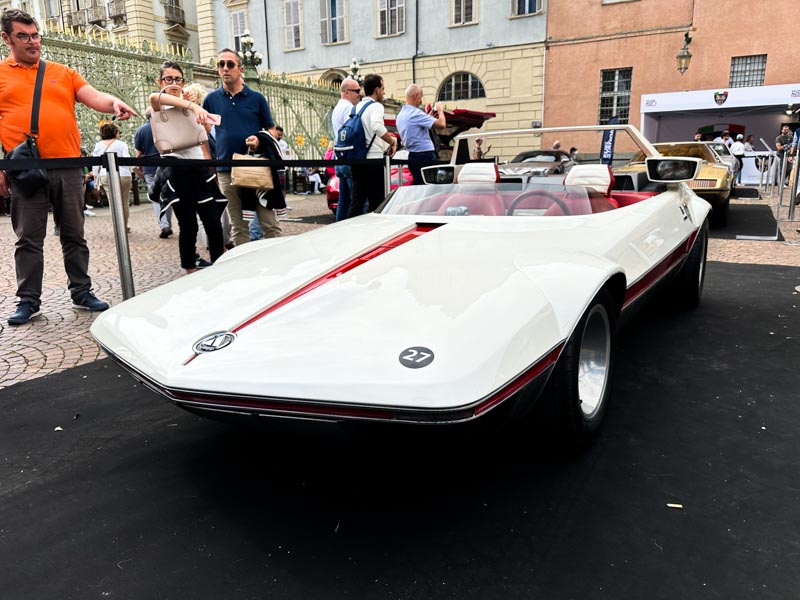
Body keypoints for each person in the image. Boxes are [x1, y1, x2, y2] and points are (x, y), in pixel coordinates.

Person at [0, 9, 137, 325]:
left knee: (74, 234)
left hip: (69, 166)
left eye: (35, 35)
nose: (33, 42)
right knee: (28, 239)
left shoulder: (62, 72)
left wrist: (113, 103)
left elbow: (91, 96)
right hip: (25, 168)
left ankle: (81, 291)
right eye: (24, 36)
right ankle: (28, 300)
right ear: (7, 38)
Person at [147, 61, 226, 274]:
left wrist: (193, 107)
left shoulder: (190, 104)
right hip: (176, 171)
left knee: (213, 223)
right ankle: (190, 270)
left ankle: (219, 266)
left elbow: (206, 133)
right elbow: (155, 98)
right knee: (188, 225)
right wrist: (191, 106)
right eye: (168, 79)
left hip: (199, 167)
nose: (174, 83)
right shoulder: (158, 104)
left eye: (178, 79)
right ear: (160, 81)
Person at [203, 48, 278, 245]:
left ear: (241, 69)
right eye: (221, 64)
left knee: (269, 222)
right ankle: (243, 269)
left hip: (255, 165)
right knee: (237, 225)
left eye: (230, 64)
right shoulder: (211, 100)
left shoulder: (257, 99)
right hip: (226, 168)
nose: (225, 68)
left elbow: (273, 130)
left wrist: (259, 140)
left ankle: (279, 264)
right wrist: (208, 158)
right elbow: (203, 132)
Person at [347, 73, 397, 218]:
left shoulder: (356, 107)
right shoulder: (376, 106)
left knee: (357, 202)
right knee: (376, 203)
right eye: (383, 88)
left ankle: (349, 233)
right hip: (372, 159)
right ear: (377, 90)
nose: (384, 92)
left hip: (357, 159)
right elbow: (376, 127)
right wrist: (392, 141)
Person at [396, 84, 446, 185]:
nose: (421, 101)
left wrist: (427, 118)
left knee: (418, 186)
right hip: (425, 155)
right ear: (416, 95)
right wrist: (440, 110)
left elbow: (414, 127)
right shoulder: (416, 113)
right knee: (431, 186)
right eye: (421, 97)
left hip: (412, 156)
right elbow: (442, 124)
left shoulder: (401, 115)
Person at [134, 107, 173, 238]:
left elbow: (138, 153)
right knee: (168, 194)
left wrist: (138, 168)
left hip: (149, 167)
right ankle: (168, 224)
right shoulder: (166, 128)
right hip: (166, 164)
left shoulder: (140, 131)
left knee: (155, 196)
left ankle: (164, 224)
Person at [91, 122, 133, 231]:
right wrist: (132, 170)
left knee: (112, 202)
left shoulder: (98, 145)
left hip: (106, 174)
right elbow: (127, 159)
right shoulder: (121, 144)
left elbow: (96, 164)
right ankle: (124, 225)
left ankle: (117, 227)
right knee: (124, 201)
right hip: (123, 174)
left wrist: (96, 179)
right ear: (115, 133)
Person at [331, 78, 361, 220]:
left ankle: (339, 226)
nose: (359, 94)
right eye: (357, 91)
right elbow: (352, 132)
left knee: (343, 200)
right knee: (354, 200)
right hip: (349, 155)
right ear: (347, 92)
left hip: (339, 156)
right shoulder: (349, 108)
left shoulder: (337, 108)